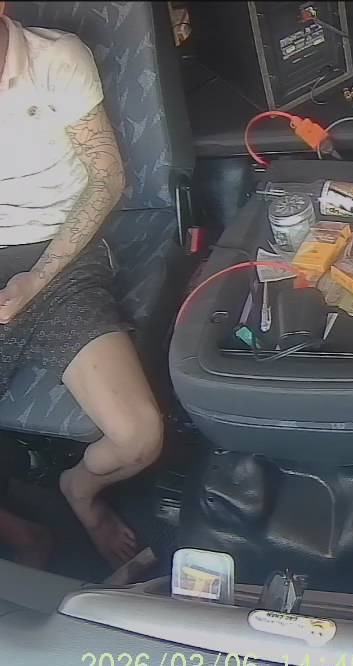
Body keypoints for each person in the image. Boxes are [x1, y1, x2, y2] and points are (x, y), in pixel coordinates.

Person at [0, 6, 163, 568]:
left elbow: (106, 178)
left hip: (60, 252)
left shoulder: (55, 59)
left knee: (138, 436)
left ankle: (81, 491)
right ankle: (20, 531)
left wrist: (36, 279)